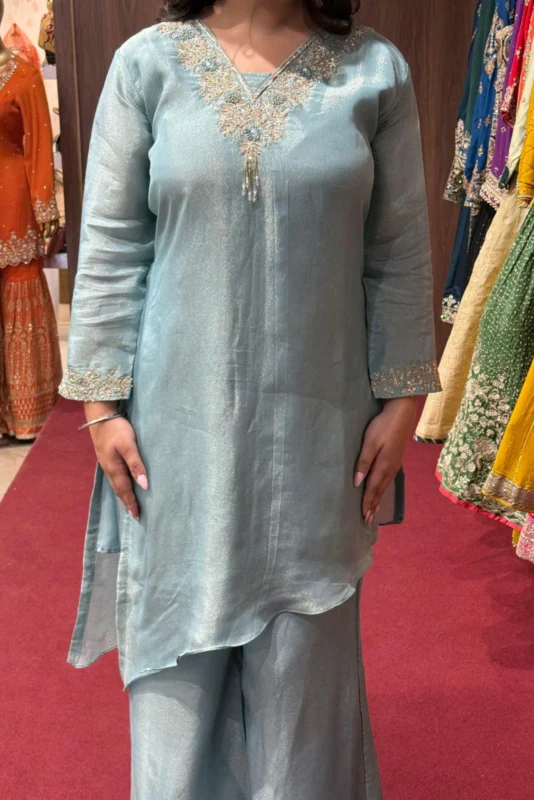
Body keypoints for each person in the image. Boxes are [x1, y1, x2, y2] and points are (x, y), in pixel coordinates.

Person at [60, 0, 440, 796]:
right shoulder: (147, 66)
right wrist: (100, 406)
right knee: (176, 672)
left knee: (305, 671)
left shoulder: (374, 72)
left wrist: (404, 400)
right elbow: (113, 244)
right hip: (174, 437)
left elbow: (398, 247)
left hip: (320, 436)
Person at [0, 0, 62, 440]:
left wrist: (45, 213)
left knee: (18, 290)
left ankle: (26, 414)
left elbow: (39, 143)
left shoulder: (22, 73)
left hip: (14, 205)